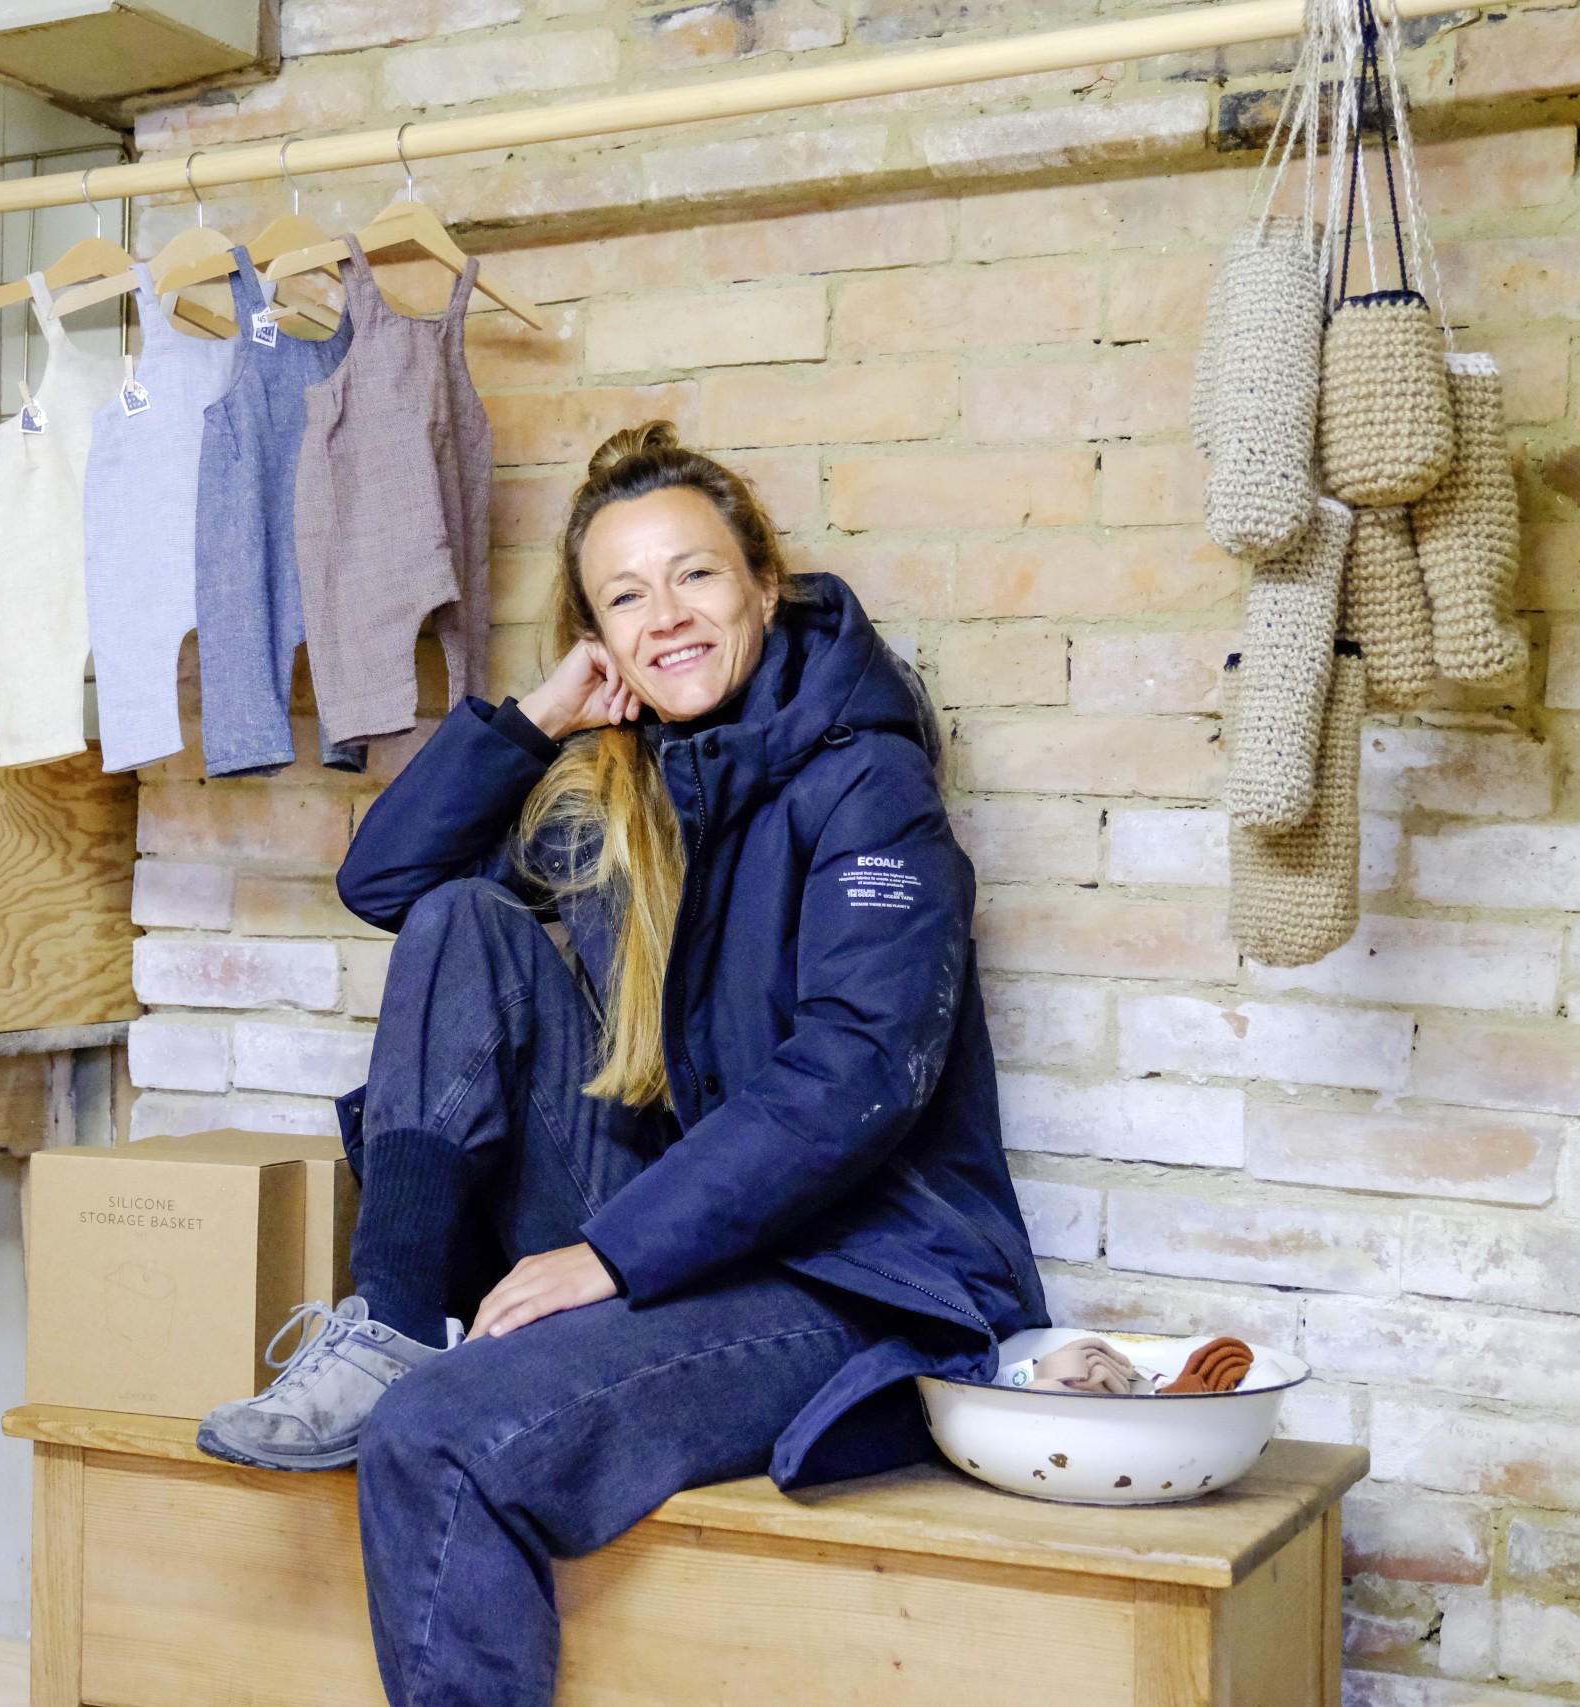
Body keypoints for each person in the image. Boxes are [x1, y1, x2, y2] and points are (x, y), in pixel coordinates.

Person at [196, 421, 1047, 1707]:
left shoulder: (869, 787)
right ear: (597, 636)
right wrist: (538, 718)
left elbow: (857, 1074)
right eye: (626, 597)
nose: (669, 616)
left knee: (442, 1434)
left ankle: (421, 1386)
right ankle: (394, 1326)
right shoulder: (632, 784)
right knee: (463, 920)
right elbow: (389, 883)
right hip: (679, 1237)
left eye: (695, 575)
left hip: (851, 1274)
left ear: (764, 584)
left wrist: (608, 1254)